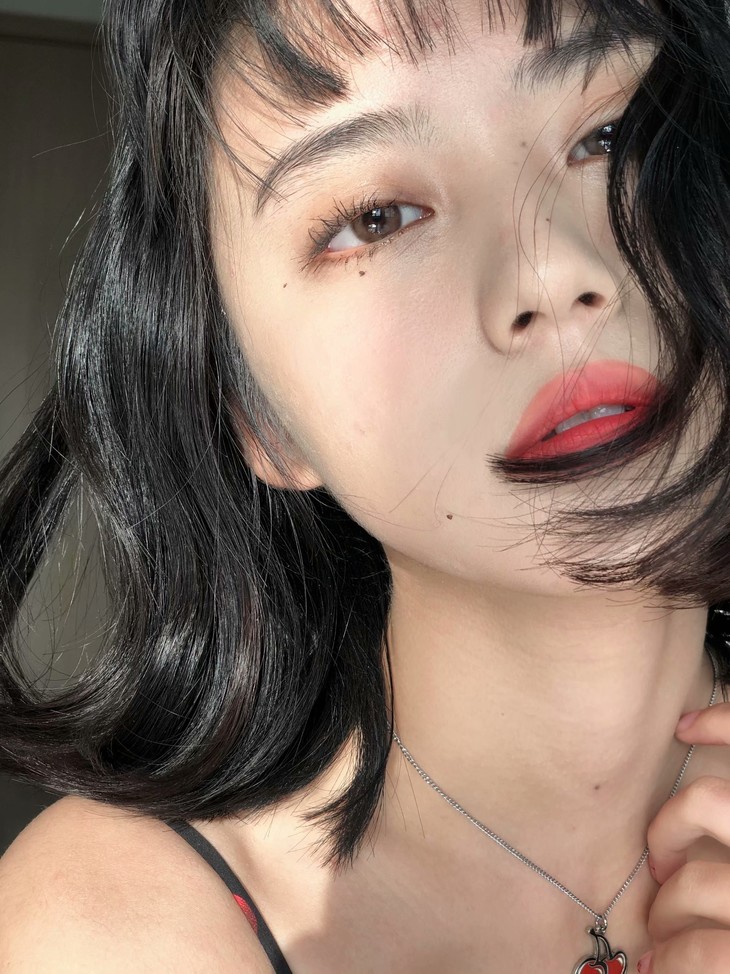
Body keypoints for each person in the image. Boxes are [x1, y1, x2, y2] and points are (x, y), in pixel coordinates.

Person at [1, 0, 730, 970]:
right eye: (376, 218)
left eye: (609, 134)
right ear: (256, 413)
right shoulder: (116, 927)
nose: (552, 271)